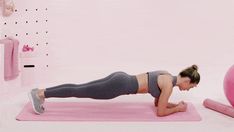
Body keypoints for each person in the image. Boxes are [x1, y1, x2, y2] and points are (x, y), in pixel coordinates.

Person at [28, 65, 200, 117]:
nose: (188, 89)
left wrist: (175, 104)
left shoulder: (166, 74)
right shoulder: (169, 85)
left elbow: (157, 102)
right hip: (119, 86)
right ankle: (40, 94)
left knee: (78, 87)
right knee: (78, 90)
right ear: (186, 80)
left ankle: (41, 92)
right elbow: (160, 112)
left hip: (121, 77)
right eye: (191, 86)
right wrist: (177, 109)